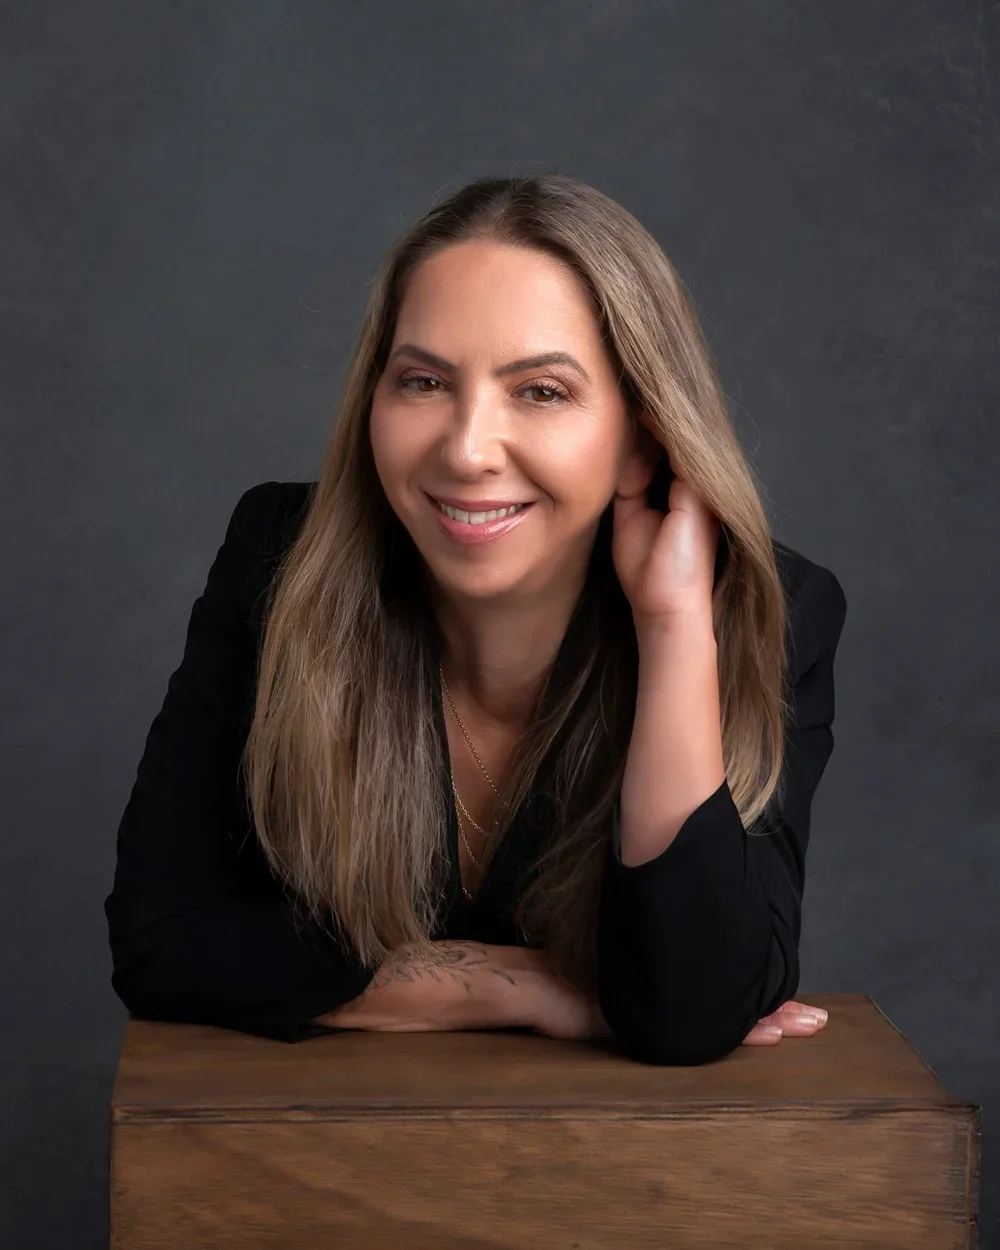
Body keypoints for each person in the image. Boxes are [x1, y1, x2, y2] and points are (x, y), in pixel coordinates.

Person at [104, 174, 845, 1064]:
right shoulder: (278, 561)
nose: (465, 450)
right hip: (315, 1169)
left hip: (638, 1192)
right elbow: (162, 943)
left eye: (541, 392)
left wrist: (675, 624)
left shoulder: (768, 614)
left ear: (642, 436)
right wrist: (519, 984)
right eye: (423, 381)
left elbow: (693, 1009)